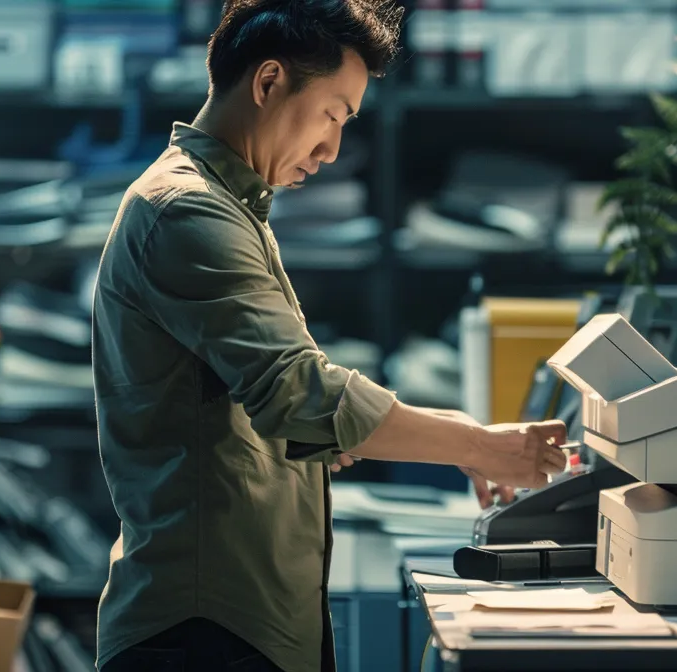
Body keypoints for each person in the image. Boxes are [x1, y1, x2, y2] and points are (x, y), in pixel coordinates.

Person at [91, 2, 567, 671]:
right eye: (332, 115)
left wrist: (324, 435)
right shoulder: (188, 212)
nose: (332, 150)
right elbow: (300, 394)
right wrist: (479, 445)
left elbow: (270, 404)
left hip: (236, 620)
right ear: (268, 83)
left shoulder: (230, 208)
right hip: (203, 630)